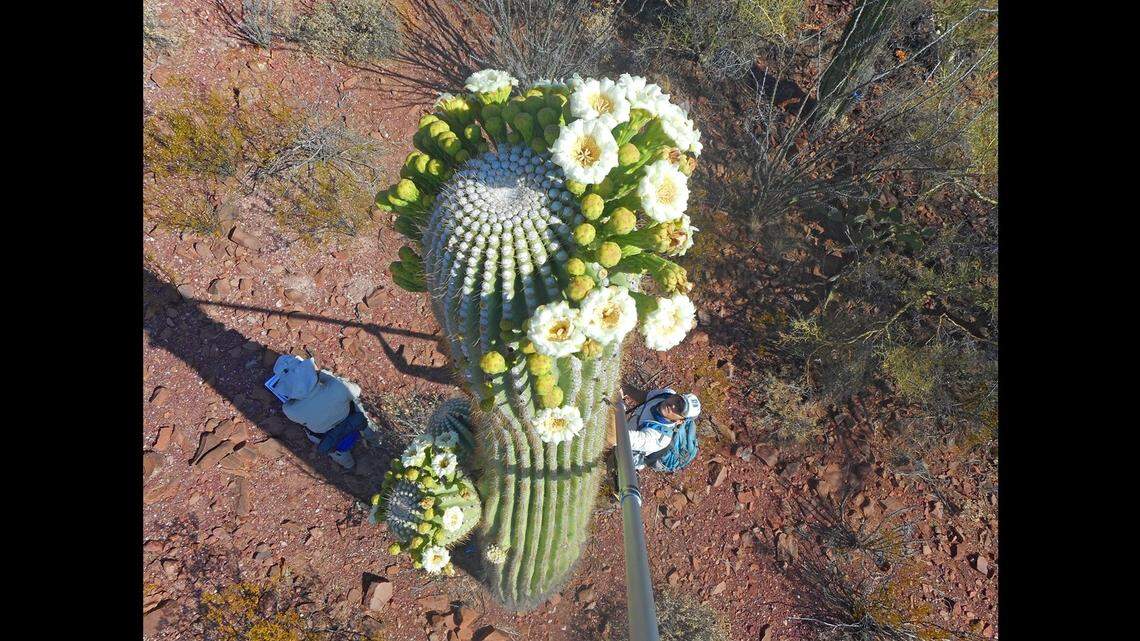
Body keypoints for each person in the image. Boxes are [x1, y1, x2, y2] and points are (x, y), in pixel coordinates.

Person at [270, 354, 367, 470]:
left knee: (336, 452)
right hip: (352, 420)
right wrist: (323, 375)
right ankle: (374, 438)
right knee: (356, 404)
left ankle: (349, 464)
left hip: (327, 437)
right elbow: (357, 390)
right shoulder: (336, 387)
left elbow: (289, 404)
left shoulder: (290, 410)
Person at [621, 385, 701, 471]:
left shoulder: (661, 437)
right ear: (675, 395)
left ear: (680, 421)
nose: (673, 406)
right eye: (678, 401)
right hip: (623, 430)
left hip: (624, 457)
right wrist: (624, 388)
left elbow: (622, 438)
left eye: (679, 410)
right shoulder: (666, 394)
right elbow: (643, 397)